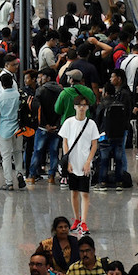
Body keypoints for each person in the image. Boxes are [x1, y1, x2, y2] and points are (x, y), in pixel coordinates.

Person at [59, 96, 100, 234]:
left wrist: (88, 161)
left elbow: (94, 144)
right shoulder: (68, 123)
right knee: (74, 192)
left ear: (87, 108)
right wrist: (68, 161)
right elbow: (65, 142)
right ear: (75, 106)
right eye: (79, 105)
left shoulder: (91, 124)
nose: (82, 108)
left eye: (84, 105)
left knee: (85, 193)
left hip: (84, 164)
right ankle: (77, 219)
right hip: (72, 163)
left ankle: (84, 222)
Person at [0, 72, 22, 191]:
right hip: (19, 129)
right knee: (18, 152)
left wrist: (0, 121)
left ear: (2, 85)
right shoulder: (19, 95)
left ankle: (9, 182)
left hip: (4, 129)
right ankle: (19, 174)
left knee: (6, 156)